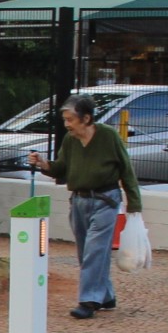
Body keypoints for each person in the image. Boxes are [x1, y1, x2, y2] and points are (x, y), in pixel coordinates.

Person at [26, 93, 143, 320]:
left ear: (86, 118)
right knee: (86, 253)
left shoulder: (108, 136)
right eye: (65, 120)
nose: (67, 125)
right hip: (78, 201)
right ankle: (106, 295)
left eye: (71, 119)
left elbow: (126, 169)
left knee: (95, 250)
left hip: (105, 200)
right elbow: (61, 168)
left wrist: (134, 203)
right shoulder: (70, 141)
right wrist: (43, 164)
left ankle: (89, 300)